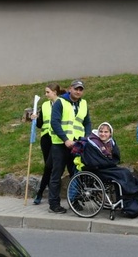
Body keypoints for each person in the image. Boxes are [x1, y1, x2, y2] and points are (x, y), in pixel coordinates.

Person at [48, 79, 91, 214]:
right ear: (70, 89)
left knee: (76, 174)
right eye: (76, 89)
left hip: (77, 145)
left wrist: (86, 138)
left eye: (80, 89)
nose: (78, 91)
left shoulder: (83, 103)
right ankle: (54, 205)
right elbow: (54, 122)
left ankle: (75, 201)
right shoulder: (60, 102)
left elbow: (87, 122)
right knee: (57, 175)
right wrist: (65, 139)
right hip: (60, 144)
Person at [78, 122, 138, 197]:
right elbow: (95, 161)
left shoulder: (110, 142)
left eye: (106, 132)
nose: (103, 134)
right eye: (101, 131)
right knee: (122, 174)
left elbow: (116, 157)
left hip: (107, 167)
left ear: (110, 133)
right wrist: (108, 162)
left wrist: (109, 162)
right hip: (98, 170)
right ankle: (125, 199)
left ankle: (129, 197)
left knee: (126, 172)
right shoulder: (92, 143)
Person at [32, 82, 65, 205]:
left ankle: (41, 192)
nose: (45, 94)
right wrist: (35, 118)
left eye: (47, 92)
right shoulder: (45, 105)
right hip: (46, 138)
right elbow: (41, 124)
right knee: (48, 166)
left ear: (55, 92)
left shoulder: (62, 103)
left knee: (50, 167)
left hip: (57, 138)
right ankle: (47, 193)